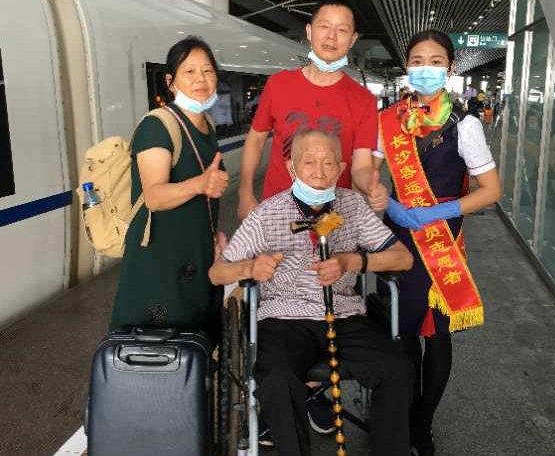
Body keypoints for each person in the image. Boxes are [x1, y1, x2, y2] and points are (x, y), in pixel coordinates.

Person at [210, 129, 415, 456]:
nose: (319, 172)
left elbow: (403, 258)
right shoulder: (267, 214)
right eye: (309, 163)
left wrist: (352, 261)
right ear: (291, 168)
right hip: (283, 319)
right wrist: (250, 268)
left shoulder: (353, 206)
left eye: (328, 163)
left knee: (397, 368)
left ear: (341, 168)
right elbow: (217, 272)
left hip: (345, 316)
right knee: (277, 379)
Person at [373, 30, 502, 456]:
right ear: (406, 67)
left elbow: (491, 190)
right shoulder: (389, 121)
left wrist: (434, 214)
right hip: (398, 239)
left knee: (439, 336)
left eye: (435, 62)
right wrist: (386, 200)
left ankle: (423, 423)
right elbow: (368, 173)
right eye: (417, 61)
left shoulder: (465, 124)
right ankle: (406, 409)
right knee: (405, 330)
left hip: (442, 239)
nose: (425, 69)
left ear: (449, 69)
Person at [110, 36, 229, 344]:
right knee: (156, 347)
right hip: (161, 261)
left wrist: (212, 233)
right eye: (189, 71)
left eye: (208, 71)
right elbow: (154, 196)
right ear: (170, 81)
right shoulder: (157, 126)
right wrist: (200, 183)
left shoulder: (207, 126)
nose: (200, 79)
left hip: (196, 254)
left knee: (195, 344)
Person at [237, 0, 388, 221]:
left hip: (333, 217)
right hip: (277, 212)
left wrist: (371, 186)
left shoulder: (363, 99)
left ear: (352, 40)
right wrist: (245, 193)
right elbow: (256, 140)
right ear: (309, 31)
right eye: (324, 26)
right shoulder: (278, 84)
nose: (331, 36)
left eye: (342, 30)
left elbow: (361, 165)